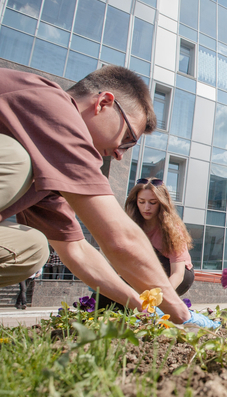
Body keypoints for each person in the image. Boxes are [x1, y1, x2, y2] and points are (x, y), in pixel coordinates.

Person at [0, 66, 216, 328]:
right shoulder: (52, 105)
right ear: (103, 103)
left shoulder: (45, 170)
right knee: (15, 160)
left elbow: (76, 250)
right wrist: (182, 314)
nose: (119, 154)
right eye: (126, 139)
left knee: (31, 248)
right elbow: (120, 239)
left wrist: (142, 307)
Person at [125, 177, 195, 296]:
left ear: (161, 203)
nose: (147, 207)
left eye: (152, 202)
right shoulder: (131, 225)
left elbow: (178, 274)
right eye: (141, 202)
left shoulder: (172, 229)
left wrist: (157, 298)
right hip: (148, 271)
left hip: (176, 273)